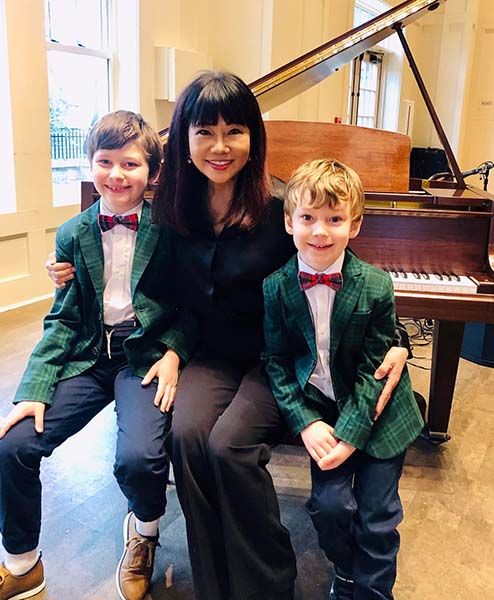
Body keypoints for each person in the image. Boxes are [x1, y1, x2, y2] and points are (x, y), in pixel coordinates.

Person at [46, 72, 412, 600]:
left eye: (234, 130)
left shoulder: (282, 207)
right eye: (204, 131)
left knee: (227, 448)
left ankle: (265, 583)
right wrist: (63, 268)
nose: (219, 147)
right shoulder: (172, 207)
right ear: (184, 137)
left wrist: (397, 334)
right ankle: (215, 583)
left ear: (253, 137)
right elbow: (123, 265)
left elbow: (347, 272)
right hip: (208, 354)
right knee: (186, 435)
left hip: (276, 361)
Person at [0, 111, 188, 600]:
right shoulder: (72, 233)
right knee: (13, 445)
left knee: (140, 460)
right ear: (90, 164)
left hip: (142, 356)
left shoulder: (170, 230)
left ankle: (143, 536)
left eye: (130, 163)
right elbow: (62, 320)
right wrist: (33, 389)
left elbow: (192, 305)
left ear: (153, 171)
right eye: (105, 162)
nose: (117, 175)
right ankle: (22, 566)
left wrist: (174, 351)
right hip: (87, 354)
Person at [262, 158, 424, 600]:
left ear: (354, 225)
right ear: (288, 221)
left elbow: (377, 371)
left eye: (334, 219)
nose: (320, 231)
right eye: (308, 218)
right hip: (322, 413)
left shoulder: (375, 285)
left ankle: (374, 593)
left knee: (378, 516)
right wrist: (306, 422)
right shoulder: (275, 287)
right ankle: (346, 570)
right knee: (330, 507)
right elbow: (276, 362)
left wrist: (351, 436)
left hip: (380, 413)